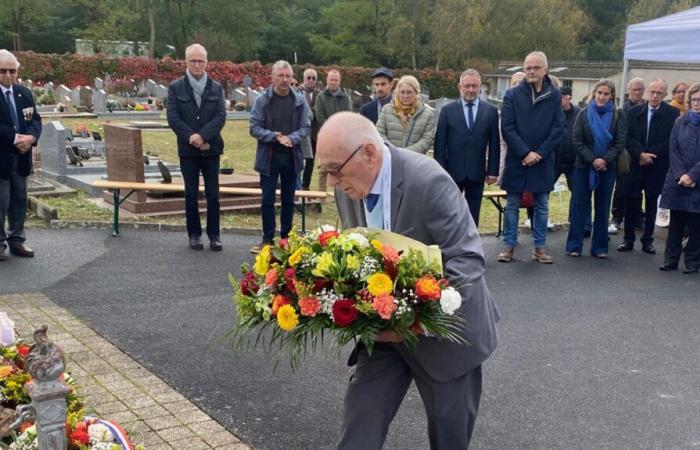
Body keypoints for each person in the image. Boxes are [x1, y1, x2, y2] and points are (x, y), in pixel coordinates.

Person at [316, 112, 499, 450]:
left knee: (449, 440)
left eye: (335, 170)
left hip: (447, 337)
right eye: (324, 170)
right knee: (359, 428)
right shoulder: (348, 187)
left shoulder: (428, 181)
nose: (330, 181)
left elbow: (467, 260)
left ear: (368, 153)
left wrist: (418, 323)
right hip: (385, 334)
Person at [498, 51, 565, 264]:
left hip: (543, 161)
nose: (531, 71)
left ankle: (539, 248)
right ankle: (508, 246)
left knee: (542, 205)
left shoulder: (554, 95)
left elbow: (558, 127)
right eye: (528, 67)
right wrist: (525, 152)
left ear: (545, 69)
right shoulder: (512, 95)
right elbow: (507, 127)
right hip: (518, 159)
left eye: (536, 67)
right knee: (512, 204)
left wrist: (539, 154)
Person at [167, 44, 226, 251]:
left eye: (201, 61)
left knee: (213, 195)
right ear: (186, 62)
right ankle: (194, 235)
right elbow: (173, 118)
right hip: (188, 150)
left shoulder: (216, 88)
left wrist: (202, 135)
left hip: (211, 149)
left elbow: (220, 116)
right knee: (191, 194)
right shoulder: (176, 87)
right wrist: (191, 136)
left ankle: (214, 235)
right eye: (193, 61)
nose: (197, 65)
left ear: (206, 62)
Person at [249, 60, 311, 253]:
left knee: (288, 200)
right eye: (280, 76)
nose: (285, 80)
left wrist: (291, 139)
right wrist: (274, 137)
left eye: (288, 76)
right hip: (269, 157)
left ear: (292, 78)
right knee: (267, 199)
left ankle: (285, 239)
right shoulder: (262, 100)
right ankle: (267, 239)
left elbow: (306, 127)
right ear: (272, 77)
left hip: (291, 157)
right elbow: (254, 127)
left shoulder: (300, 101)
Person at [618, 78, 680, 254]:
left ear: (665, 95)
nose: (654, 95)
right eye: (652, 91)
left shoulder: (672, 113)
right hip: (635, 164)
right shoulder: (634, 111)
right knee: (631, 202)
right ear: (647, 92)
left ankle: (648, 240)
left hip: (656, 165)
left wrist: (651, 155)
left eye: (659, 93)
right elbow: (627, 137)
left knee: (652, 203)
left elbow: (671, 140)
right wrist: (640, 154)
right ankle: (628, 239)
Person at [566, 80, 626, 258]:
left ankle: (599, 247)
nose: (602, 97)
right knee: (579, 206)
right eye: (599, 93)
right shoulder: (584, 113)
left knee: (603, 207)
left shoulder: (618, 115)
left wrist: (604, 160)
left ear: (612, 96)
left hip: (608, 167)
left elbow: (619, 142)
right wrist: (593, 159)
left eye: (606, 94)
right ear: (594, 93)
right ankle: (574, 246)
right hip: (583, 166)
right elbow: (577, 141)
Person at [434, 69, 500, 226]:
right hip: (452, 172)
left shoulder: (490, 111)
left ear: (480, 87)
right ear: (459, 87)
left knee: (473, 213)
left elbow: (494, 143)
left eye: (475, 86)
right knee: (450, 212)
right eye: (467, 86)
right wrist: (440, 171)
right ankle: (451, 247)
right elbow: (440, 144)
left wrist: (492, 171)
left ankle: (471, 248)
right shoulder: (447, 111)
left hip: (476, 172)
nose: (471, 90)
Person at [0, 49, 42, 261]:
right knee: (1, 201)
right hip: (2, 157)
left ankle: (17, 239)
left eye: (12, 71)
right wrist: (18, 138)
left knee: (19, 199)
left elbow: (35, 119)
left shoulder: (23, 93)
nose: (8, 75)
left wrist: (32, 138)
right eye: (3, 71)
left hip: (22, 157)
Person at [659, 83, 700, 274]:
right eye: (694, 100)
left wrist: (692, 175)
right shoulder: (679, 122)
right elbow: (673, 149)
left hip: (697, 182)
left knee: (696, 226)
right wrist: (681, 174)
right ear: (690, 101)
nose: (697, 103)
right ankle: (671, 260)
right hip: (678, 181)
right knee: (675, 224)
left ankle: (692, 262)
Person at [611, 77, 647, 234]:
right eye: (634, 89)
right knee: (621, 187)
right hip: (626, 154)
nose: (637, 92)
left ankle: (637, 217)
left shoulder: (647, 109)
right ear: (628, 90)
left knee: (639, 189)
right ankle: (616, 217)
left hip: (643, 155)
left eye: (640, 89)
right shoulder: (623, 110)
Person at [376, 75, 435, 155]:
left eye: (409, 92)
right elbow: (379, 133)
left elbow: (427, 140)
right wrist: (393, 151)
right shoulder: (386, 110)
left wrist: (405, 153)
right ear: (398, 92)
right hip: (391, 157)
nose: (405, 96)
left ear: (416, 92)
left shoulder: (427, 115)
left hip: (414, 160)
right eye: (402, 92)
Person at [314, 69, 351, 191]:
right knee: (323, 169)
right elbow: (319, 116)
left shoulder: (346, 98)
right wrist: (331, 130)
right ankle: (320, 198)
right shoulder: (320, 97)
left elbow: (347, 116)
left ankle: (340, 197)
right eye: (331, 79)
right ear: (327, 80)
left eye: (336, 80)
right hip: (326, 138)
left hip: (341, 139)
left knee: (341, 168)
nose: (333, 82)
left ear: (339, 81)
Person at [555, 86, 585, 232]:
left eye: (562, 96)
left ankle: (574, 222)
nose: (559, 99)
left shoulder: (579, 114)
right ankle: (538, 221)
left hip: (574, 160)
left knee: (577, 191)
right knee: (543, 191)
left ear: (569, 98)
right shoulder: (552, 113)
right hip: (555, 159)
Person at [496, 71, 525, 186]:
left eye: (520, 82)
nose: (517, 85)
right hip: (509, 156)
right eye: (514, 83)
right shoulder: (508, 105)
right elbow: (503, 133)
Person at [300, 68, 320, 191]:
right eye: (309, 78)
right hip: (300, 131)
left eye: (314, 78)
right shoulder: (298, 92)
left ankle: (305, 185)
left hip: (314, 132)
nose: (311, 80)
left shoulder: (319, 94)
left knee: (310, 160)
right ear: (304, 79)